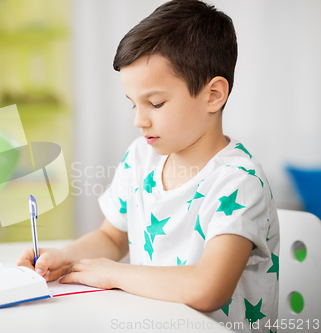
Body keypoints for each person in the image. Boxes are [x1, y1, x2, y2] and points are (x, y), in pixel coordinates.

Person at [16, 1, 279, 332]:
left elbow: (208, 288)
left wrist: (112, 272)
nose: (140, 120)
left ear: (213, 95)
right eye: (134, 104)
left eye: (155, 103)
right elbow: (112, 238)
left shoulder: (239, 182)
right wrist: (65, 258)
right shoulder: (140, 157)